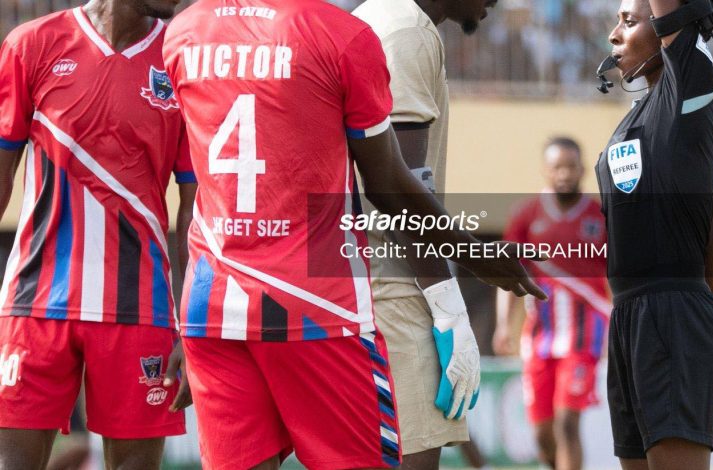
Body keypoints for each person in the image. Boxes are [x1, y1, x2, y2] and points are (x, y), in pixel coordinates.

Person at [163, 0, 546, 468]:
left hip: (214, 301)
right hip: (318, 301)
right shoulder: (347, 34)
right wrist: (470, 263)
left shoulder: (185, 30)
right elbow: (388, 184)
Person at [0, 0, 196, 468]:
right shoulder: (32, 45)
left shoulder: (182, 58)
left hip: (141, 307)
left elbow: (195, 210)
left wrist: (194, 327)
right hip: (35, 302)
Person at [595, 0, 713, 469]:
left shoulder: (692, 82)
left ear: (665, 28)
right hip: (629, 318)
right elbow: (708, 230)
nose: (614, 35)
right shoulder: (640, 113)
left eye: (629, 21)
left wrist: (707, 331)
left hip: (674, 316)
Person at [352, 0, 496, 468]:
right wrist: (449, 309)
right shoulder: (406, 30)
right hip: (393, 285)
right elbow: (401, 189)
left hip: (358, 278)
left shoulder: (374, 17)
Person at [493, 137, 610, 470]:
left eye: (571, 167)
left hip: (584, 336)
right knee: (543, 434)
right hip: (540, 336)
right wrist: (503, 325)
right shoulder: (526, 214)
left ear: (582, 169)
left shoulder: (600, 216)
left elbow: (618, 276)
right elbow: (508, 271)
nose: (564, 174)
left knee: (567, 422)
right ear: (546, 170)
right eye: (557, 167)